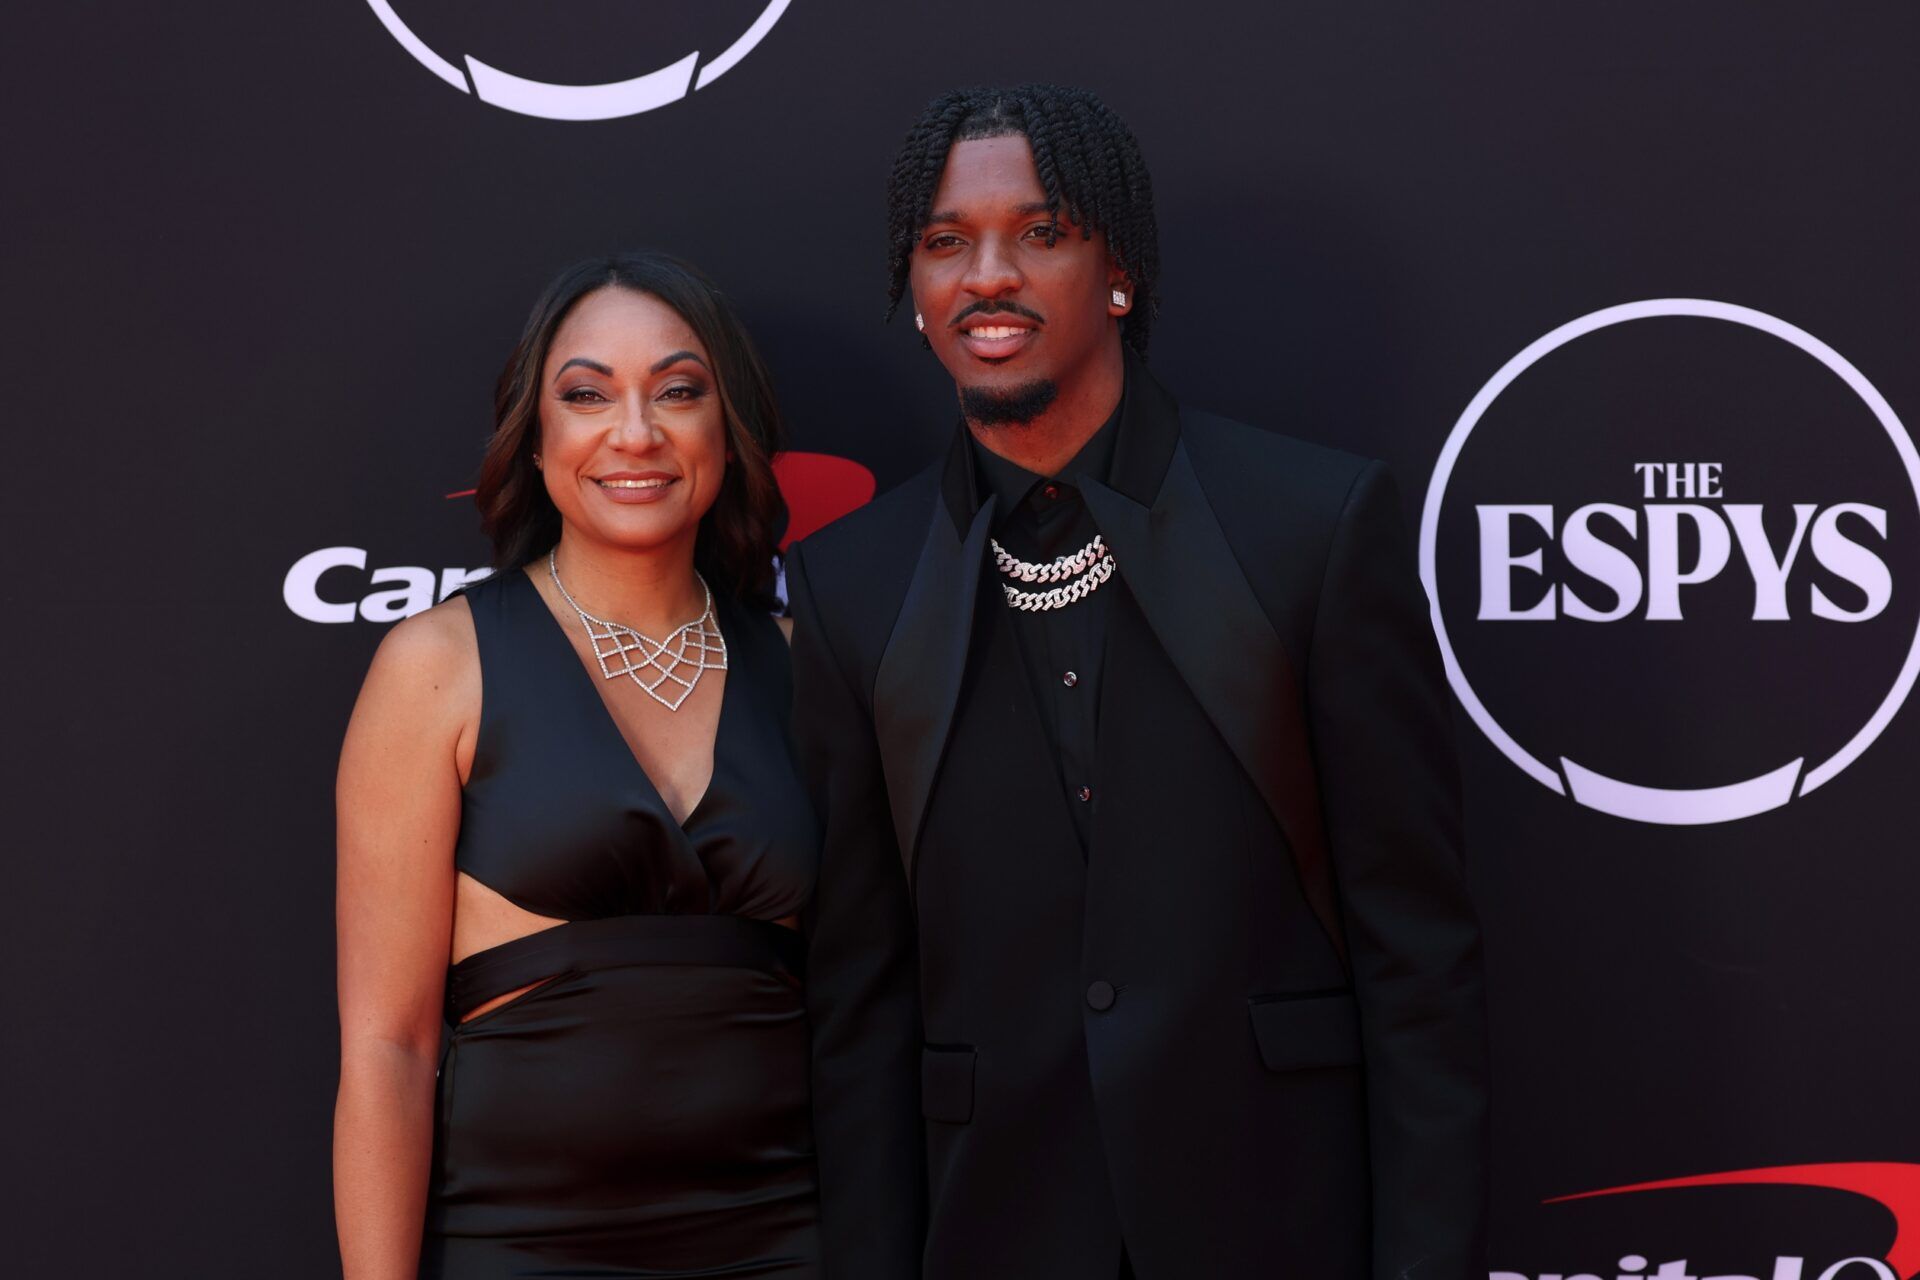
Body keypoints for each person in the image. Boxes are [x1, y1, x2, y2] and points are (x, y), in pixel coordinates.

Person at [788, 85, 1490, 1280]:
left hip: (1274, 1220)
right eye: (946, 241)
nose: (987, 276)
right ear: (914, 291)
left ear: (1121, 273)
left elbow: (1417, 963)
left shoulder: (1311, 526)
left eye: (1042, 233)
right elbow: (860, 1010)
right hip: (994, 1232)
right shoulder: (851, 581)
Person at [333, 251, 821, 1278]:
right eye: (588, 395)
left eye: (679, 391)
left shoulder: (804, 665)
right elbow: (389, 1047)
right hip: (519, 1245)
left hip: (785, 1236)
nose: (635, 432)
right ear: (537, 433)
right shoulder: (438, 666)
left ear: (726, 428)